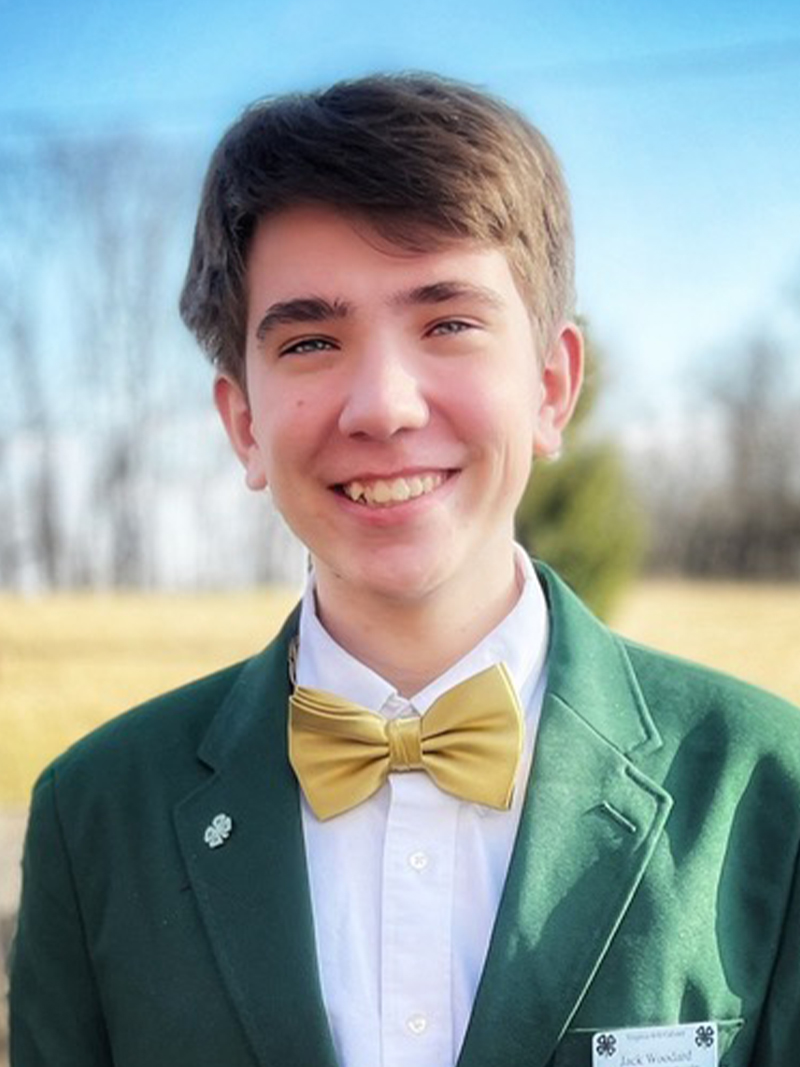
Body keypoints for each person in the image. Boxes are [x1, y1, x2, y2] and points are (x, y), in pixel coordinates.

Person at [9, 73, 800, 1067]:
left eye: (446, 323)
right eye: (309, 340)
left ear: (550, 387)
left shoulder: (772, 787)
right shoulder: (94, 816)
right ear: (243, 423)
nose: (381, 404)